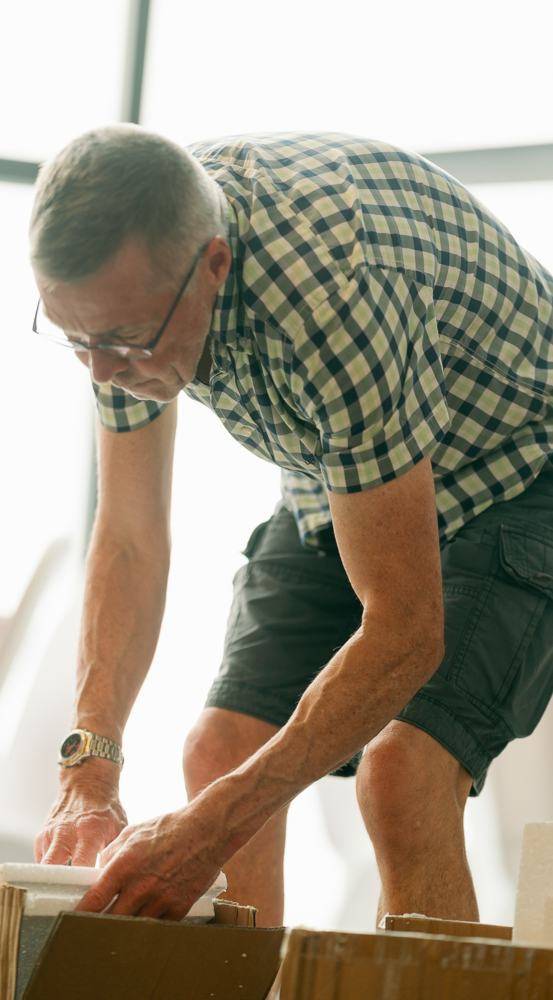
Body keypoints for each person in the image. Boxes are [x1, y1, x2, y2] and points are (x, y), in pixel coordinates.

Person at [29, 125, 553, 927]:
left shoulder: (333, 291)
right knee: (219, 752)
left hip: (521, 465)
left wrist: (209, 830)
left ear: (214, 265)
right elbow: (131, 536)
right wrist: (89, 772)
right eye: (77, 340)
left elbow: (406, 632)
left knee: (402, 775)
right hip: (356, 469)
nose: (102, 371)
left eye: (126, 340)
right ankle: (246, 983)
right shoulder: (126, 299)